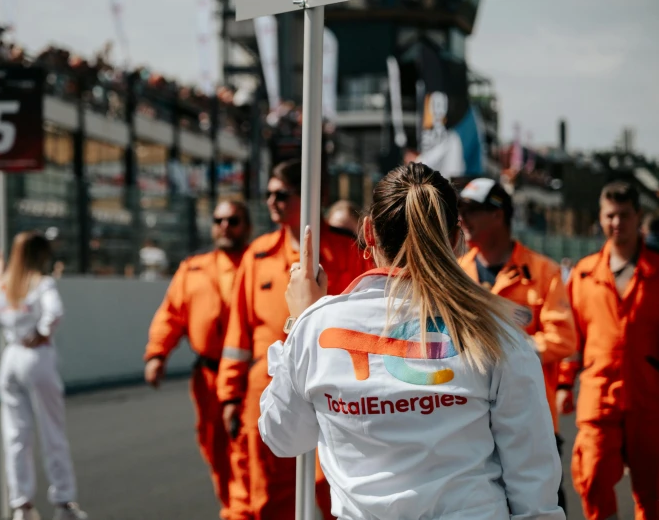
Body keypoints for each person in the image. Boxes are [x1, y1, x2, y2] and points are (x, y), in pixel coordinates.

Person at [258, 163, 564, 520]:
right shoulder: (497, 329)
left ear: (368, 233)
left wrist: (299, 323)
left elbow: (284, 439)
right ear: (454, 238)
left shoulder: (316, 327)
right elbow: (533, 479)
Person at [217, 159, 370, 520]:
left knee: (335, 487)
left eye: (282, 194)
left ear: (310, 196)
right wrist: (229, 395)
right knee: (269, 492)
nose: (272, 201)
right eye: (269, 194)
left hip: (334, 383)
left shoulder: (347, 251)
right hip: (267, 386)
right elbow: (237, 335)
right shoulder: (256, 257)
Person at [457, 177, 577, 513]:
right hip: (470, 418)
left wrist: (509, 350)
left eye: (471, 211)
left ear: (499, 215)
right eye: (460, 211)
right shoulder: (456, 273)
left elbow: (564, 339)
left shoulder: (544, 271)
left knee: (542, 506)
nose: (462, 219)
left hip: (533, 418)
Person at [143, 200, 253, 520]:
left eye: (233, 220)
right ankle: (231, 508)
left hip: (251, 376)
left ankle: (242, 512)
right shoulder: (193, 268)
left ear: (246, 226)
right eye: (219, 220)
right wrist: (157, 354)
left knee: (249, 453)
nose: (225, 226)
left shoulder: (260, 263)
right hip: (207, 377)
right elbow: (171, 316)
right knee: (215, 449)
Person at [558, 181, 659, 520]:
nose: (617, 223)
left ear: (638, 216)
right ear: (601, 218)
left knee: (654, 492)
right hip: (598, 397)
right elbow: (572, 341)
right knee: (592, 477)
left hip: (649, 398)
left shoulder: (657, 272)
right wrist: (563, 384)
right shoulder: (584, 275)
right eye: (610, 216)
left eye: (625, 216)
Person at [0, 233, 87, 520]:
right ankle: (64, 502)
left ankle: (22, 506)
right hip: (36, 358)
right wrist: (41, 332)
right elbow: (55, 313)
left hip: (10, 358)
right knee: (52, 431)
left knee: (16, 435)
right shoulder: (42, 283)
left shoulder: (3, 285)